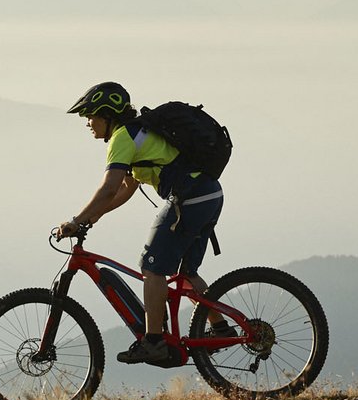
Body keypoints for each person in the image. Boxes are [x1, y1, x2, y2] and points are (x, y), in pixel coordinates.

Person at [54, 82, 228, 366]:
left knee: (152, 268)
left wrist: (76, 221)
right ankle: (221, 330)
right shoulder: (137, 132)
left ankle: (154, 341)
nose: (88, 123)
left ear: (106, 114)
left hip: (190, 198)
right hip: (208, 194)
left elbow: (109, 187)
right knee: (187, 275)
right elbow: (126, 188)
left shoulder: (123, 137)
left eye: (90, 116)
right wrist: (94, 216)